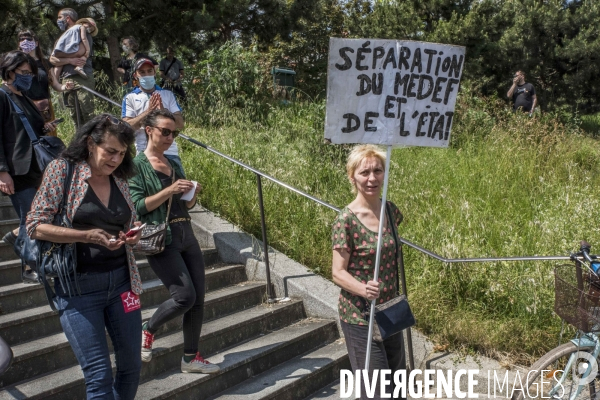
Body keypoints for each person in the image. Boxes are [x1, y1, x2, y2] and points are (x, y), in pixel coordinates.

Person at [26, 113, 144, 399]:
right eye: (110, 151)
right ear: (91, 143)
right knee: (99, 376)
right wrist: (84, 235)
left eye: (122, 153)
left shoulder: (120, 179)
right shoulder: (62, 170)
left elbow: (129, 220)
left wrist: (133, 235)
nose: (116, 159)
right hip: (77, 289)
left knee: (131, 368)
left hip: (123, 284)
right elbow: (35, 225)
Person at [128, 109, 219, 374]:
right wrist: (169, 190)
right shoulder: (136, 165)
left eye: (174, 132)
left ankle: (191, 357)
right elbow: (137, 206)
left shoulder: (173, 162)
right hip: (161, 238)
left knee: (199, 298)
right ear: (149, 131)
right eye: (165, 131)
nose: (170, 137)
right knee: (184, 297)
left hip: (185, 232)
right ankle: (148, 327)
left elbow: (184, 204)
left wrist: (191, 193)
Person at [331, 144, 406, 399]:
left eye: (378, 170)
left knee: (397, 386)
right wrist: (363, 289)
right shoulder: (346, 220)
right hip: (360, 314)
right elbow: (337, 272)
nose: (372, 178)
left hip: (390, 311)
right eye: (364, 172)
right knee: (375, 390)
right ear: (352, 177)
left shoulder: (390, 210)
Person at [0, 51, 60, 283]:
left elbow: (25, 129)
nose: (28, 77)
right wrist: (2, 171)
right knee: (31, 216)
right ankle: (31, 266)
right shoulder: (2, 95)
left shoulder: (23, 97)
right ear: (9, 70)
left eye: (30, 73)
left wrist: (44, 127)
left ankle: (22, 247)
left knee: (34, 216)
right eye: (23, 72)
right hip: (16, 169)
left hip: (34, 167)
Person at [122, 58, 184, 172]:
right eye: (142, 72)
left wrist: (164, 111)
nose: (147, 75)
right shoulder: (129, 98)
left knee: (179, 188)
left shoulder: (167, 94)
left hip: (170, 153)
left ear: (154, 73)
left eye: (149, 71)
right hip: (144, 153)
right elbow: (126, 127)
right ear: (136, 75)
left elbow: (180, 124)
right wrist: (148, 111)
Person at [16, 29, 74, 129]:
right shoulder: (16, 63)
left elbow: (55, 85)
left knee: (48, 138)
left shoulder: (45, 64)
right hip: (24, 106)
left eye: (28, 39)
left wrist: (65, 87)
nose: (25, 41)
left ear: (36, 43)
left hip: (44, 109)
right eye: (22, 39)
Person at [50, 8, 96, 125]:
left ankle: (95, 142)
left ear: (68, 18)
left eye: (60, 17)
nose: (58, 20)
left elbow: (80, 51)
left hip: (82, 78)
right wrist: (70, 60)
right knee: (75, 116)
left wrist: (62, 59)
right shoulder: (61, 39)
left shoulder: (83, 32)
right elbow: (53, 59)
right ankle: (80, 141)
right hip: (67, 80)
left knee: (88, 114)